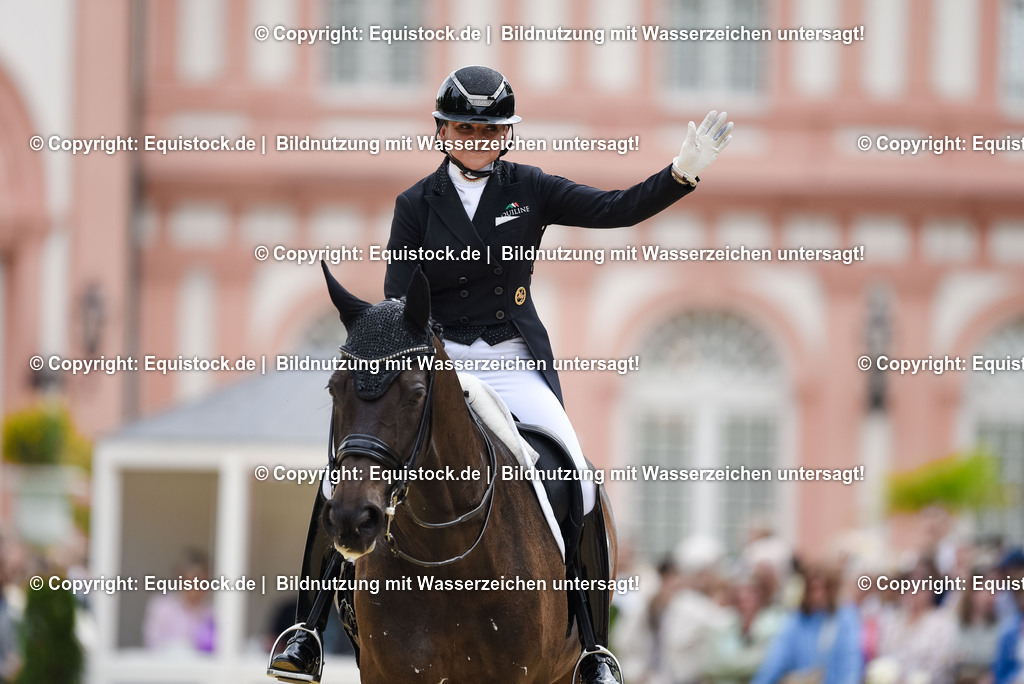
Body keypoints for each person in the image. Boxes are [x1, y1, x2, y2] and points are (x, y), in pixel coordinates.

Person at [267, 64, 733, 684]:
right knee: (342, 481)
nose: (477, 139)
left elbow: (614, 209)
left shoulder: (529, 189)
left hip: (511, 360)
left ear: (505, 135)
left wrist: (682, 174)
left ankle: (592, 644)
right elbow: (401, 301)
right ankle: (306, 631)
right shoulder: (416, 205)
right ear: (442, 131)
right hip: (439, 359)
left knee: (576, 476)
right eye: (464, 127)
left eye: (489, 130)